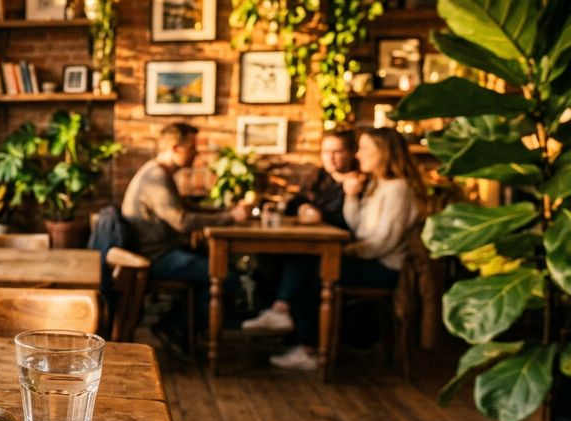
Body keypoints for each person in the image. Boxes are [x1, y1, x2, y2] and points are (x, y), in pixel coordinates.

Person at [243, 127, 425, 371]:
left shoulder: (399, 189)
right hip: (369, 259)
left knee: (317, 266)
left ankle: (306, 344)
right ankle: (288, 320)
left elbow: (382, 243)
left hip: (384, 269)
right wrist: (351, 197)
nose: (358, 156)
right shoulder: (378, 185)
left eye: (364, 149)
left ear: (383, 153)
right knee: (309, 259)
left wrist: (346, 252)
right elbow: (358, 226)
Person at [121, 122, 250, 341]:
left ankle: (182, 326)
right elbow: (181, 221)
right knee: (224, 275)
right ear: (175, 148)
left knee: (217, 262)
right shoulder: (156, 177)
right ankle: (175, 327)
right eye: (192, 148)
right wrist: (230, 217)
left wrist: (224, 210)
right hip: (154, 257)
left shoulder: (159, 172)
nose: (196, 154)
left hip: (159, 251)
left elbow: (185, 208)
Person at [283, 129, 357, 229]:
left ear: (350, 153)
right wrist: (303, 208)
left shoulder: (358, 182)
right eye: (326, 152)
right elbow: (295, 202)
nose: (330, 157)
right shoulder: (318, 176)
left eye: (337, 152)